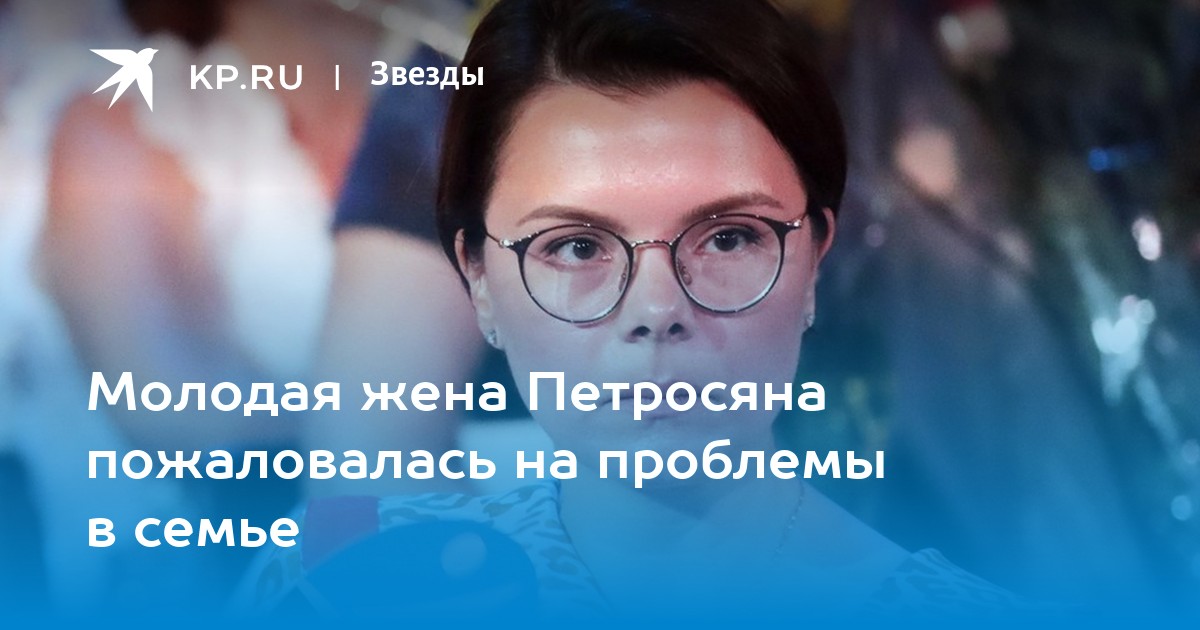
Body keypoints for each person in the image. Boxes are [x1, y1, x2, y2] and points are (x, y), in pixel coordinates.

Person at [245, 0, 1020, 618]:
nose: (657, 308)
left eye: (728, 237)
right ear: (477, 278)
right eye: (577, 246)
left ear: (815, 256)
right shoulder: (332, 576)